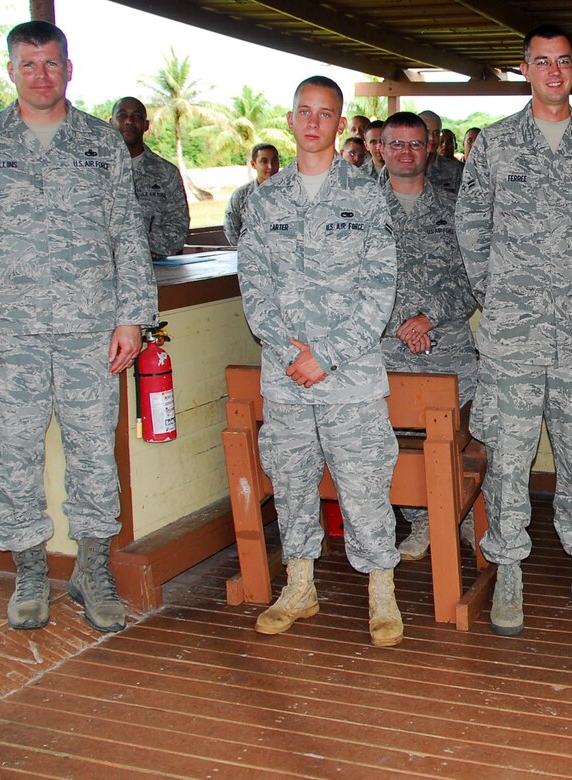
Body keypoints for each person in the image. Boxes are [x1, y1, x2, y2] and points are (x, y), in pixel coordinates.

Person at [0, 21, 158, 633]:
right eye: (28, 64)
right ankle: (30, 572)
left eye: (52, 63)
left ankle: (93, 571)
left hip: (92, 331)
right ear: (11, 71)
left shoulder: (101, 143)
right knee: (13, 455)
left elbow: (127, 234)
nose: (41, 75)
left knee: (94, 455)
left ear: (69, 68)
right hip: (9, 336)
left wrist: (131, 316)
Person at [456, 24, 572, 636]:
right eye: (541, 62)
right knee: (508, 455)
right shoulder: (496, 145)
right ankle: (510, 570)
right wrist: (497, 296)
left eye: (564, 62)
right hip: (511, 335)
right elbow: (471, 227)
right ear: (525, 69)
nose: (554, 72)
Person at [237, 75, 403, 647]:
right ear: (290, 120)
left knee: (363, 485)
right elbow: (254, 288)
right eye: (303, 111)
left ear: (340, 122)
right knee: (291, 481)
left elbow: (379, 289)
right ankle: (300, 586)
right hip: (285, 381)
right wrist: (291, 355)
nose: (313, 122)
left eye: (325, 113)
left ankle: (381, 591)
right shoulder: (263, 200)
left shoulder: (366, 195)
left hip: (350, 378)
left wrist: (326, 356)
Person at [377, 111, 479, 560]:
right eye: (395, 143)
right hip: (384, 350)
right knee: (400, 443)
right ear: (380, 148)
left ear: (431, 148)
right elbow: (345, 282)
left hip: (447, 349)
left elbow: (475, 278)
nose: (405, 152)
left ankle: (466, 512)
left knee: (462, 436)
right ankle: (422, 521)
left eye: (414, 144)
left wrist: (428, 317)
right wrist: (402, 323)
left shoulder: (457, 209)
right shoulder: (357, 210)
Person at [110, 96, 189, 259]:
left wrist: (143, 249)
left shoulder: (166, 172)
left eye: (137, 116)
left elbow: (178, 224)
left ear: (146, 125)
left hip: (153, 267)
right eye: (122, 115)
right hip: (102, 269)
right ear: (110, 123)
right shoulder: (94, 171)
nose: (129, 121)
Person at [224, 143, 279, 245]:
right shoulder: (241, 196)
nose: (270, 166)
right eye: (264, 161)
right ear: (254, 165)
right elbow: (232, 231)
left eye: (274, 160)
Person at [419, 110, 463, 195]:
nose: (432, 138)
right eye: (427, 132)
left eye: (436, 133)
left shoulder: (457, 169)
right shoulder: (399, 167)